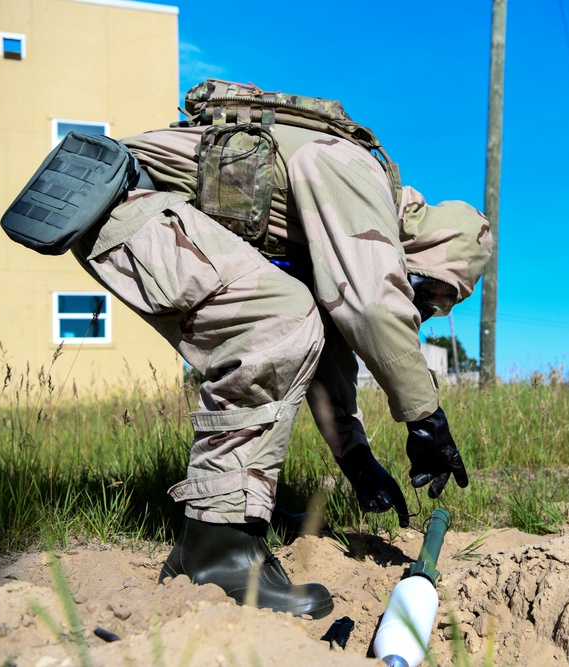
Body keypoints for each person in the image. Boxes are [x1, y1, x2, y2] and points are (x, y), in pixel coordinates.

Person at [63, 81, 492, 618]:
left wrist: (358, 459)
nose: (424, 309)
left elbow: (328, 349)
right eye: (431, 293)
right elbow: (373, 308)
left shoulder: (339, 220)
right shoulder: (358, 173)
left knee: (292, 314)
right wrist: (425, 418)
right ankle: (217, 549)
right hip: (117, 194)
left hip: (128, 201)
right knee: (279, 318)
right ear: (431, 247)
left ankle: (238, 520)